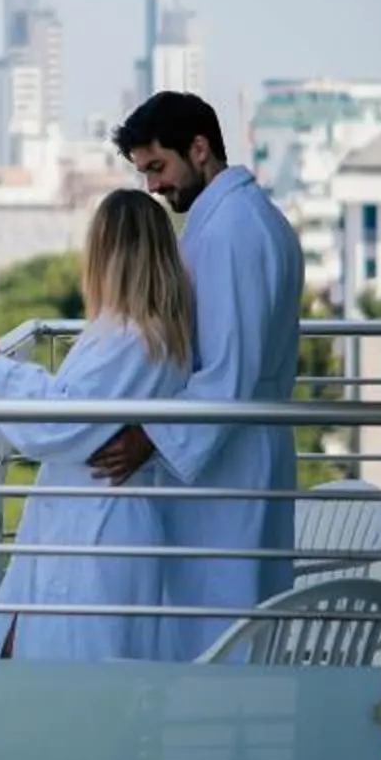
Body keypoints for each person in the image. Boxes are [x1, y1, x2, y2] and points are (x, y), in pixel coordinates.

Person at [87, 91, 306, 659]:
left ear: (200, 148)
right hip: (233, 455)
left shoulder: (234, 231)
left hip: (231, 467)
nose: (153, 188)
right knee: (226, 627)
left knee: (221, 632)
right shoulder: (243, 219)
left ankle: (220, 749)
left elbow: (228, 372)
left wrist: (147, 437)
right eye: (143, 174)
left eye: (158, 168)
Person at [0, 188, 196, 660]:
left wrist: (0, 369)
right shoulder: (147, 335)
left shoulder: (133, 341)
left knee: (74, 669)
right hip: (95, 518)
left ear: (108, 255)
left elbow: (62, 422)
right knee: (57, 656)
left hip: (98, 527)